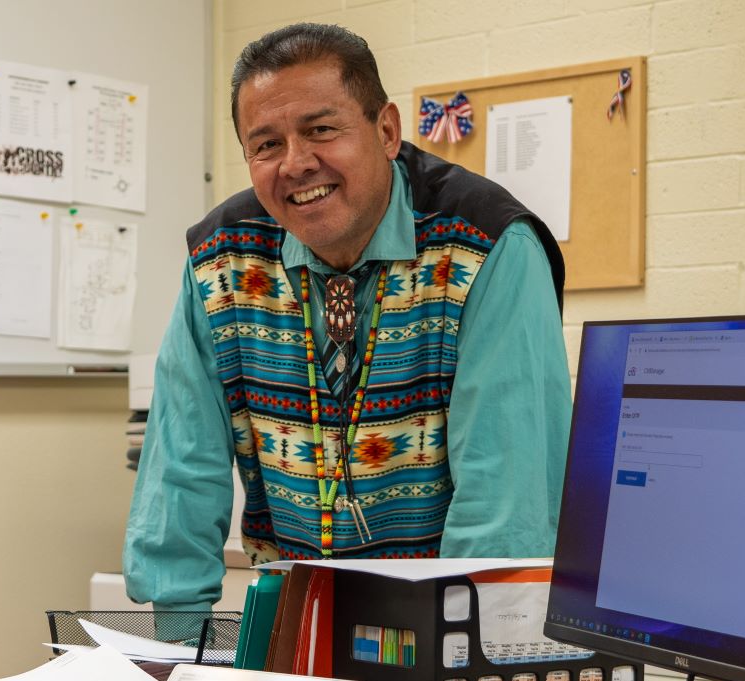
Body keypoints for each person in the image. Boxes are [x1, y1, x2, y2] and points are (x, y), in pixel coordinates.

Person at [124, 23, 571, 615]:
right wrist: (175, 649)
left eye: (321, 130)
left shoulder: (490, 247)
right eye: (266, 144)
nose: (295, 164)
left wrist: (456, 653)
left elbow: (504, 507)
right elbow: (180, 474)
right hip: (299, 622)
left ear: (386, 131)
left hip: (448, 627)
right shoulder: (221, 260)